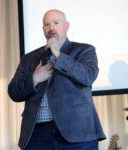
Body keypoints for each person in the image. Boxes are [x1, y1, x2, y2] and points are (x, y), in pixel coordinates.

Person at [8, 9, 106, 150]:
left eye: (56, 22)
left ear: (66, 26)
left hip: (77, 133)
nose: (51, 28)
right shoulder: (29, 58)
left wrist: (58, 55)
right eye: (47, 25)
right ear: (43, 30)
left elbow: (88, 76)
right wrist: (35, 78)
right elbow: (14, 92)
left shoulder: (84, 50)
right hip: (37, 134)